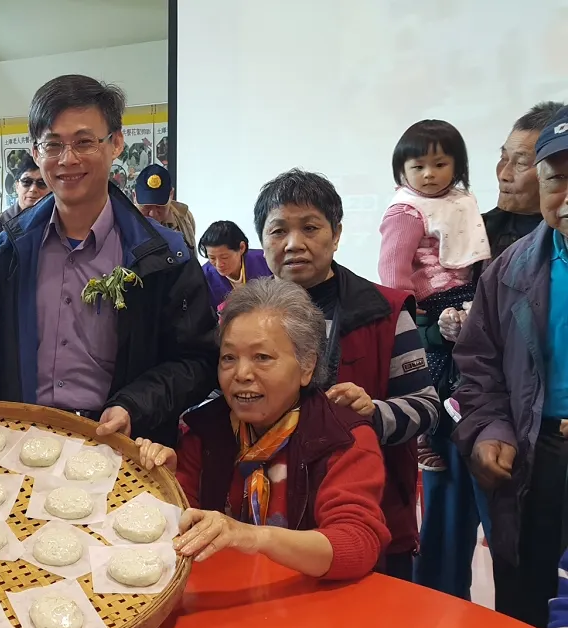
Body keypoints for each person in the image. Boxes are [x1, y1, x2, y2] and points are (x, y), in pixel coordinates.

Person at [0, 75, 217, 446]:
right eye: (53, 144)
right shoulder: (12, 250)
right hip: (24, 439)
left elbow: (197, 361)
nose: (68, 159)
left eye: (84, 142)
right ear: (36, 152)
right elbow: (0, 346)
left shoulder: (163, 256)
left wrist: (133, 406)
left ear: (116, 143)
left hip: (119, 443)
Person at [233, 168, 437, 580]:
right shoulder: (238, 315)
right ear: (261, 240)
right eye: (278, 231)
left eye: (310, 228)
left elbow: (427, 408)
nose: (294, 244)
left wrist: (374, 413)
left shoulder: (385, 310)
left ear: (337, 234)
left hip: (366, 519)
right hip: (263, 520)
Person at [138, 278, 390, 579]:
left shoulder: (343, 438)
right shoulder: (205, 431)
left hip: (312, 599)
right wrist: (163, 486)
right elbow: (180, 533)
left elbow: (357, 544)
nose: (242, 373)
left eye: (262, 357)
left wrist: (253, 537)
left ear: (307, 366)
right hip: (227, 594)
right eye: (229, 358)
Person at [417, 102, 565, 599]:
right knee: (520, 590)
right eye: (556, 178)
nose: (503, 172)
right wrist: (491, 428)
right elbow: (477, 363)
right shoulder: (501, 258)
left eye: (519, 162)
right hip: (518, 445)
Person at [377, 121, 489, 409]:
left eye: (440, 164)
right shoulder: (407, 210)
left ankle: (472, 401)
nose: (429, 174)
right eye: (418, 167)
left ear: (457, 166)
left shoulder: (460, 200)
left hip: (467, 291)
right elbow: (392, 265)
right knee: (442, 356)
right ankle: (445, 407)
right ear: (402, 170)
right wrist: (405, 304)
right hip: (431, 299)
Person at [197, 220, 273, 310]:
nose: (219, 264)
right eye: (212, 258)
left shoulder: (265, 260)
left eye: (224, 257)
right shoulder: (205, 275)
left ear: (241, 248)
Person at [0, 155, 49, 252]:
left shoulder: (57, 223)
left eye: (42, 183)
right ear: (17, 186)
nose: (33, 189)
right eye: (26, 182)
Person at [133, 163, 197, 251]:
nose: (153, 214)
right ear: (134, 196)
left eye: (159, 207)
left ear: (171, 194)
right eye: (146, 207)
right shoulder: (124, 226)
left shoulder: (183, 217)